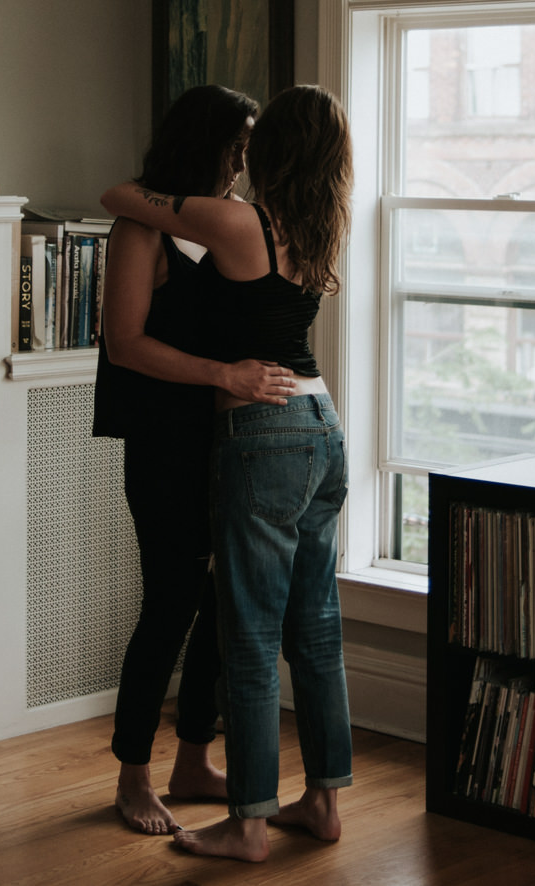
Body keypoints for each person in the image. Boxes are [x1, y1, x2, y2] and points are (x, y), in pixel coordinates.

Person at [100, 84, 355, 863]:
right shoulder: (291, 224)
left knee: (236, 622)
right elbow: (124, 343)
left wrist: (228, 381)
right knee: (195, 606)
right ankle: (144, 774)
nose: (245, 156)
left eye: (256, 142)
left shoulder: (236, 223)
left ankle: (225, 792)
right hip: (228, 431)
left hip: (252, 434)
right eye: (235, 141)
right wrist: (223, 375)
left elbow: (125, 194)